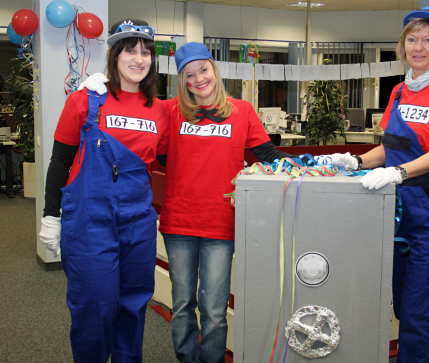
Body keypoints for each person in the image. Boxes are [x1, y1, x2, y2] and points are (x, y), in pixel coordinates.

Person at [316, 7, 429, 363]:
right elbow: (391, 148)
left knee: (419, 311)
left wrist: (399, 173)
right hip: (399, 212)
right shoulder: (400, 91)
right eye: (412, 39)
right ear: (403, 46)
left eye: (428, 39)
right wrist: (355, 161)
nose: (419, 47)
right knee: (402, 305)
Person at [161, 42, 302, 363]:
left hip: (220, 223)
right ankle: (186, 359)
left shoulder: (242, 111)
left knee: (213, 308)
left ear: (214, 69)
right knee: (182, 303)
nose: (198, 79)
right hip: (178, 221)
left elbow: (267, 155)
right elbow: (153, 146)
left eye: (203, 69)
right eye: (189, 74)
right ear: (182, 81)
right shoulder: (170, 111)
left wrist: (310, 164)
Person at [39, 19, 169, 363]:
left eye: (145, 52)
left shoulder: (160, 110)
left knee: (133, 304)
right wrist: (51, 216)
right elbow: (60, 161)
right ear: (113, 54)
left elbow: (168, 162)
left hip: (137, 224)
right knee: (95, 306)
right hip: (89, 224)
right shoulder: (85, 99)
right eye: (130, 50)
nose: (138, 58)